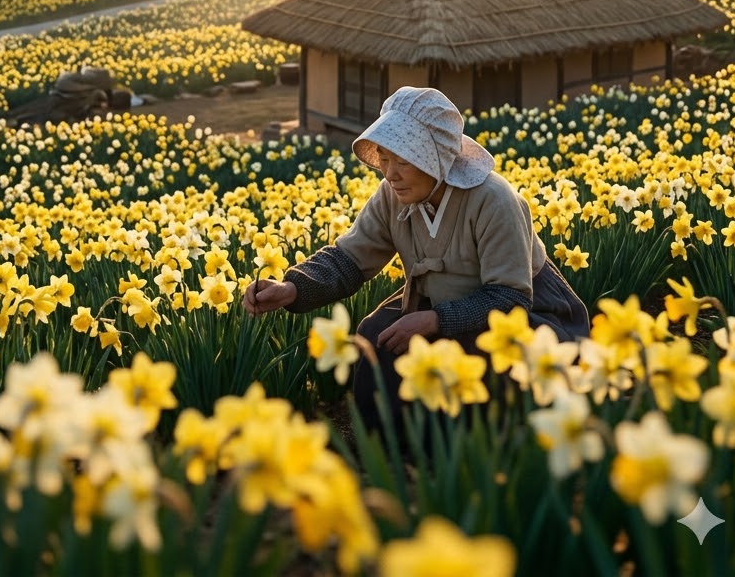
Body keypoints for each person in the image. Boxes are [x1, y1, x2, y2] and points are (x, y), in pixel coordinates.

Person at [243, 86, 590, 433]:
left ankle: (475, 457)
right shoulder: (392, 195)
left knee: (485, 370)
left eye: (404, 161)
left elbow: (510, 297)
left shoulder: (494, 201)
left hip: (515, 314)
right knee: (376, 336)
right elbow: (349, 257)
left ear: (436, 159)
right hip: (433, 301)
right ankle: (396, 453)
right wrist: (292, 287)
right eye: (384, 158)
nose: (390, 173)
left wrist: (435, 320)